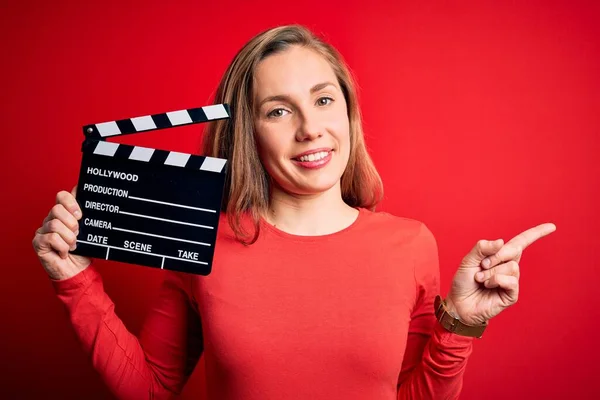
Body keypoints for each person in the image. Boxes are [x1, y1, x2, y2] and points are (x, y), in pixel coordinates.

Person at [32, 24, 556, 400]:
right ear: (248, 131)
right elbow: (150, 389)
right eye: (278, 110)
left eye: (324, 100)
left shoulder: (411, 244)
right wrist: (74, 280)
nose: (310, 129)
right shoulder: (203, 241)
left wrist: (461, 323)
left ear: (348, 111)